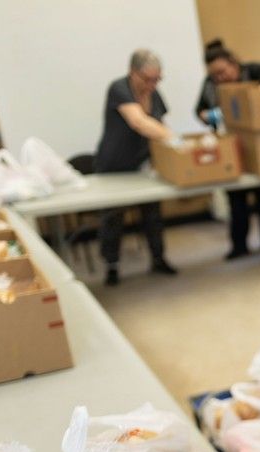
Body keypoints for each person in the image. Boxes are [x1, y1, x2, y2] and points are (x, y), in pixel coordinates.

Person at [195, 39, 260, 259]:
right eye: (215, 74)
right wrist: (205, 115)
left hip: (256, 147)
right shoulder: (209, 84)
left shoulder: (251, 71)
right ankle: (239, 245)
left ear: (233, 63)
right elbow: (199, 109)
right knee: (236, 200)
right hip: (230, 147)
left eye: (222, 71)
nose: (219, 78)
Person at [95, 49, 178, 287]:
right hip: (114, 166)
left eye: (157, 79)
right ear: (133, 73)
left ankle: (158, 258)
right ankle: (112, 265)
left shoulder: (155, 94)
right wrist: (176, 140)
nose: (153, 84)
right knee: (113, 218)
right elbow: (140, 122)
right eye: (147, 79)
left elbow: (159, 125)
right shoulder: (119, 88)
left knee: (152, 212)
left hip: (142, 164)